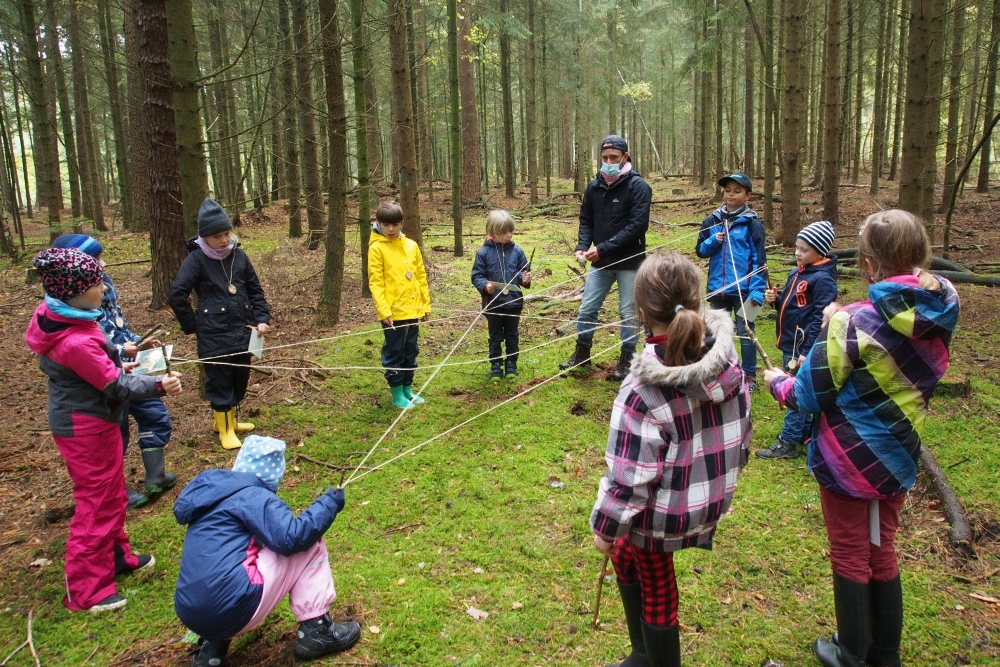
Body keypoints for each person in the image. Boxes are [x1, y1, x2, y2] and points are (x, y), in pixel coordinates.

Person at [763, 210, 959, 667]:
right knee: (881, 547)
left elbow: (809, 395)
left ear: (868, 264)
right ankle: (883, 652)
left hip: (847, 457)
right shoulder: (942, 311)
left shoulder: (851, 322)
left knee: (852, 551)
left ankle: (851, 652)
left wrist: (776, 382)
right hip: (899, 455)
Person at [590, 251, 751, 667]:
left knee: (655, 579)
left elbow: (630, 479)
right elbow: (744, 434)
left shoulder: (641, 391)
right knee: (627, 555)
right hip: (707, 498)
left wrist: (605, 528)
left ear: (641, 311)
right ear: (697, 301)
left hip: (662, 513)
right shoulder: (730, 364)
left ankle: (655, 659)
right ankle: (642, 653)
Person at [25, 247, 183, 613]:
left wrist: (126, 349)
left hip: (98, 422)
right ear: (74, 291)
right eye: (97, 284)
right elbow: (116, 386)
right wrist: (160, 385)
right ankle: (86, 591)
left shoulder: (73, 318)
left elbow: (103, 356)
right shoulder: (74, 340)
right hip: (85, 429)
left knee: (112, 494)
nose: (104, 289)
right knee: (95, 503)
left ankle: (116, 558)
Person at [174, 435, 360, 666]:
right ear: (272, 478)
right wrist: (328, 505)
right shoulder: (253, 496)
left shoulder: (213, 496)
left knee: (226, 566)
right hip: (232, 607)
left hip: (190, 610)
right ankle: (317, 630)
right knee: (310, 544)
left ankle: (211, 649)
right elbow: (293, 537)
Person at [52, 234, 176, 508]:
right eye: (97, 260)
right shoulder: (77, 308)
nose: (103, 263)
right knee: (115, 435)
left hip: (130, 369)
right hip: (107, 383)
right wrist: (122, 353)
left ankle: (156, 475)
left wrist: (138, 343)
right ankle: (117, 489)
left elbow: (118, 327)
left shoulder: (102, 288)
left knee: (154, 414)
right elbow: (93, 349)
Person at [169, 198, 271, 450]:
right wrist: (192, 324)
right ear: (205, 238)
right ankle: (223, 428)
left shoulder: (240, 256)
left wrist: (261, 318)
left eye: (227, 234)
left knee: (239, 376)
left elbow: (255, 290)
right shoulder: (196, 260)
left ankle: (231, 422)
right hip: (213, 333)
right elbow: (177, 294)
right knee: (220, 379)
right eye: (217, 237)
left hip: (244, 329)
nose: (224, 240)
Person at [560, 134, 651, 381]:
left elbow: (637, 226)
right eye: (605, 158)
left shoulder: (638, 187)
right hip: (600, 262)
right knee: (588, 308)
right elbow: (586, 220)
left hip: (630, 262)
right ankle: (582, 354)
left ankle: (627, 359)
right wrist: (582, 246)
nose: (609, 161)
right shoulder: (594, 186)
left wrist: (604, 248)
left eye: (614, 157)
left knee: (628, 311)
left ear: (625, 157)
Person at [756, 220, 839, 460]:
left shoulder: (823, 279)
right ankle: (804, 432)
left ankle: (789, 441)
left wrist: (807, 349)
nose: (797, 253)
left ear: (820, 251)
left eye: (804, 249)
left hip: (802, 347)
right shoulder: (798, 271)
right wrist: (776, 300)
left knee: (795, 391)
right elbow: (793, 306)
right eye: (797, 247)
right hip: (790, 341)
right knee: (799, 387)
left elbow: (819, 318)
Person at [695, 172, 767, 391]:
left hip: (744, 290)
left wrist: (756, 292)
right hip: (718, 288)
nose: (731, 195)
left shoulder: (752, 224)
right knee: (716, 331)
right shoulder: (713, 220)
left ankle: (750, 376)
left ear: (748, 195)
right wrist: (712, 241)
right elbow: (700, 251)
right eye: (727, 191)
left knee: (746, 330)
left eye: (737, 191)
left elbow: (760, 261)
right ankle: (718, 371)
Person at [368, 200, 431, 409]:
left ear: (402, 222)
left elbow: (420, 276)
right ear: (379, 223)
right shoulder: (376, 248)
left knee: (410, 350)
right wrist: (384, 310)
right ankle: (396, 394)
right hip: (393, 314)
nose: (391, 229)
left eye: (395, 224)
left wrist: (425, 305)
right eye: (386, 225)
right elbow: (375, 282)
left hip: (412, 309)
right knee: (394, 352)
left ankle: (407, 389)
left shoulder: (411, 245)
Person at [470, 210, 532, 380]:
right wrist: (485, 286)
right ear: (492, 233)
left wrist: (525, 278)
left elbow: (522, 273)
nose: (508, 235)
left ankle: (511, 364)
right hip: (494, 303)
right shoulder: (483, 253)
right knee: (495, 336)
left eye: (510, 231)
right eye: (503, 233)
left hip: (514, 303)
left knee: (512, 335)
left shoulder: (518, 251)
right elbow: (477, 275)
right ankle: (496, 365)